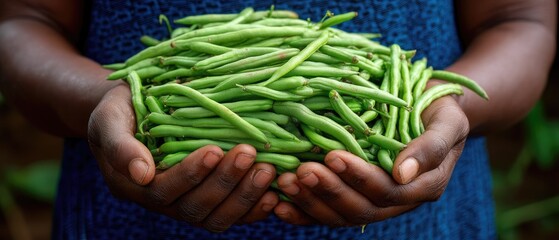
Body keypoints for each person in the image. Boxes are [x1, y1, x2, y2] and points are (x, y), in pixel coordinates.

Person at [0, 0, 555, 239]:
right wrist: (105, 98)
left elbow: (520, 17)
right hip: (130, 207)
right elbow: (26, 18)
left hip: (418, 211)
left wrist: (439, 101)